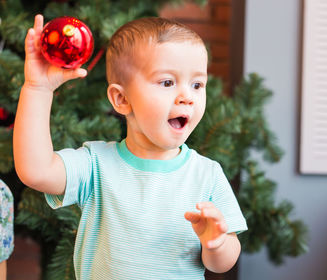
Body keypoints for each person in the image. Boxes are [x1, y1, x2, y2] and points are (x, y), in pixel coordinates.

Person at [13, 14, 247, 279]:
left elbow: (223, 263)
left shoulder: (207, 174)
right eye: (168, 82)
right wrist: (37, 89)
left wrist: (216, 243)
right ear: (122, 99)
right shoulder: (96, 165)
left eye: (197, 84)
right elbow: (36, 171)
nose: (187, 97)